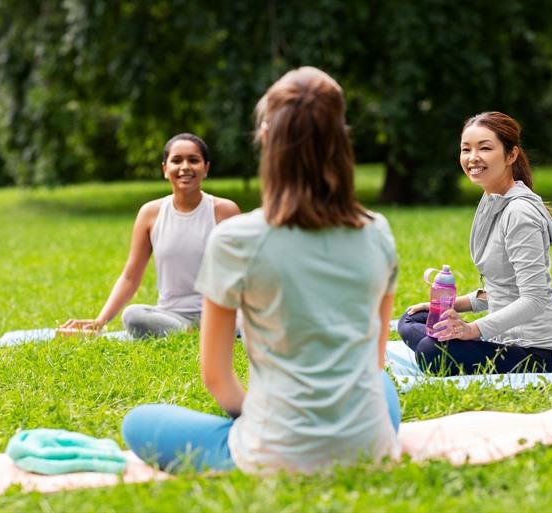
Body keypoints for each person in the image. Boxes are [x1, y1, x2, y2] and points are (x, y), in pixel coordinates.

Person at [121, 67, 401, 474]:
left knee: (138, 422)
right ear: (341, 140)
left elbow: (217, 377)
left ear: (267, 137)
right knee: (383, 386)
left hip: (272, 450)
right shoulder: (378, 231)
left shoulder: (237, 238)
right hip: (368, 446)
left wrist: (263, 423)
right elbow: (372, 361)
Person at [397, 112, 552, 375]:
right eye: (466, 149)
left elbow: (534, 298)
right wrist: (450, 306)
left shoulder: (519, 214)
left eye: (485, 148)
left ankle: (450, 346)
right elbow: (501, 291)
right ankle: (450, 340)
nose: (472, 158)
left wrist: (472, 330)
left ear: (511, 155)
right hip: (502, 337)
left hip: (539, 352)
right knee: (412, 320)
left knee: (430, 351)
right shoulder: (492, 200)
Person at [60, 133, 240, 339]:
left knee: (242, 322)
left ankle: (201, 333)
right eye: (176, 160)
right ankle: (192, 334)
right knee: (133, 315)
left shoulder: (224, 210)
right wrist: (100, 321)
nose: (185, 167)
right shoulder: (150, 214)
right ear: (165, 169)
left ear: (206, 168)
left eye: (193, 160)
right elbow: (130, 276)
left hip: (219, 314)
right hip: (171, 317)